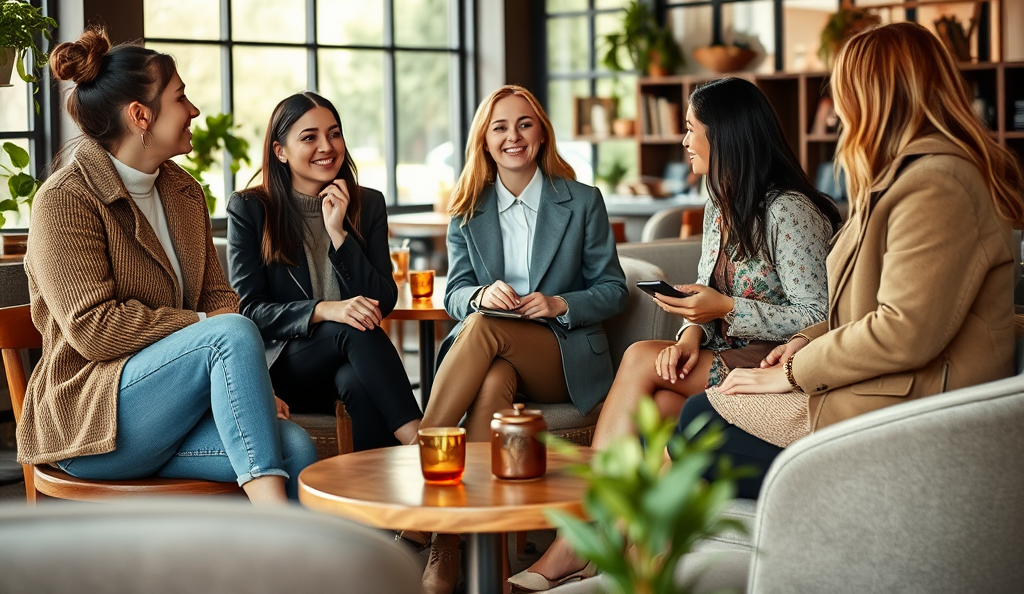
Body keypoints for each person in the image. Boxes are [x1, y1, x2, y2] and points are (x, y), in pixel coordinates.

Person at [515, 76, 842, 590]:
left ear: (726, 136)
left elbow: (820, 315)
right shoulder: (719, 202)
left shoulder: (790, 210)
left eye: (692, 130)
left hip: (776, 370)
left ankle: (580, 542)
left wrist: (727, 308)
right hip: (728, 355)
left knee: (643, 357)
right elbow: (708, 297)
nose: (684, 141)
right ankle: (627, 556)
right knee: (665, 412)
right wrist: (691, 332)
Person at [683, 21, 1024, 498]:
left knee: (697, 421)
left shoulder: (937, 184)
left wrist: (791, 374)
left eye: (843, 90)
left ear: (875, 95)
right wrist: (804, 339)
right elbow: (863, 305)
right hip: (882, 386)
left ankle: (627, 563)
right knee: (697, 415)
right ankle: (622, 559)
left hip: (918, 411)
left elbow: (904, 330)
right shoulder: (900, 178)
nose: (837, 108)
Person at [18, 28, 317, 503]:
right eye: (181, 98)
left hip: (172, 412)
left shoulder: (183, 192)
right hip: (92, 422)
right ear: (141, 115)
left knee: (296, 447)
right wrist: (207, 329)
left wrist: (244, 379)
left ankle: (272, 574)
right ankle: (277, 526)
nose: (194, 110)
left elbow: (217, 296)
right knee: (231, 333)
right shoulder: (65, 199)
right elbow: (94, 329)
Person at [418, 84, 629, 594]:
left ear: (541, 134)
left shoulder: (581, 202)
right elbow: (453, 294)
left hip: (565, 355)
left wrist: (561, 304)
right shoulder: (468, 209)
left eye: (524, 124)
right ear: (484, 142)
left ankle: (421, 470)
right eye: (500, 127)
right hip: (499, 355)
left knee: (485, 331)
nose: (513, 136)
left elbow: (614, 290)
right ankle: (453, 547)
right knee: (491, 384)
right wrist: (478, 295)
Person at [227, 92, 422, 451]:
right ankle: (420, 439)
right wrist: (325, 309)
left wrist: (339, 234)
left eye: (334, 134)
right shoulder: (251, 209)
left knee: (357, 378)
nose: (326, 146)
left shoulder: (368, 203)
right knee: (354, 327)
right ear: (280, 151)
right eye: (309, 137)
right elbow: (250, 309)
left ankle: (369, 494)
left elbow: (382, 301)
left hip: (355, 364)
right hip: (288, 365)